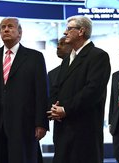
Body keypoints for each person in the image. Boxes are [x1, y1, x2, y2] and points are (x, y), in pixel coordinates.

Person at [0, 17, 49, 163]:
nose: (6, 29)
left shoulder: (35, 58)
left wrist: (41, 123)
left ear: (20, 33)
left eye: (10, 26)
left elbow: (41, 92)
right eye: (2, 27)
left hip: (24, 125)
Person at [47, 15, 111, 163]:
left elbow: (93, 91)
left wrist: (66, 109)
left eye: (69, 29)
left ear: (81, 31)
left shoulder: (98, 56)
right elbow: (57, 86)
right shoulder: (69, 58)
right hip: (63, 129)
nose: (65, 32)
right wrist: (54, 109)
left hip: (84, 130)